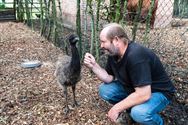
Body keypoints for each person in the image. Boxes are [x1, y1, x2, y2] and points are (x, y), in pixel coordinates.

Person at [84, 23, 175, 125]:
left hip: (158, 92)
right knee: (105, 90)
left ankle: (158, 122)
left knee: (139, 113)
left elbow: (144, 94)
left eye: (103, 42)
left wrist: (116, 108)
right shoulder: (113, 53)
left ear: (116, 40)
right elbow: (109, 78)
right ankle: (131, 111)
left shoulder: (136, 56)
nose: (101, 46)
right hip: (135, 89)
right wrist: (94, 66)